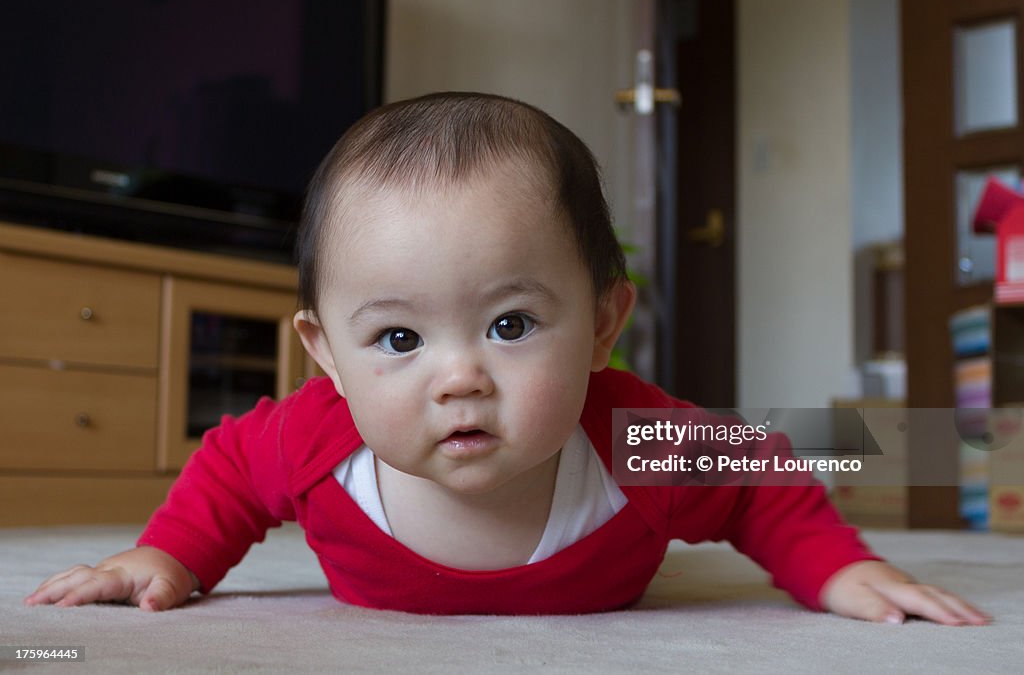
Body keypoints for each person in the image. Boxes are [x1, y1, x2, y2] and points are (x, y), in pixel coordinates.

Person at [25, 92, 989, 625]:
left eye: (512, 324)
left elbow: (761, 474)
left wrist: (836, 568)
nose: (460, 376)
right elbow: (230, 470)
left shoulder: (633, 438)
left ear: (606, 322)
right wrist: (169, 554)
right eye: (398, 339)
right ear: (326, 355)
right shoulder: (318, 439)